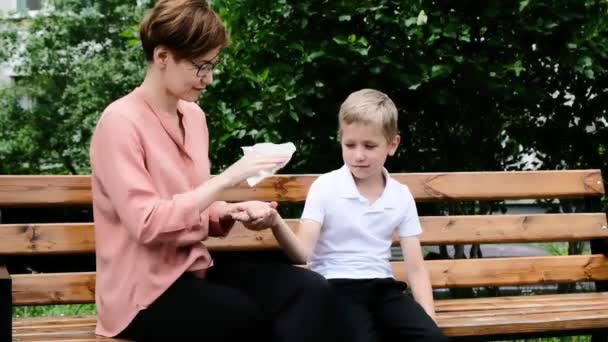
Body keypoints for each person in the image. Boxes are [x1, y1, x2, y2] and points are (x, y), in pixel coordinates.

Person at [89, 0, 331, 340]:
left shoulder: (194, 117)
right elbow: (147, 224)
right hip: (140, 294)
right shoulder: (119, 122)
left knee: (307, 288)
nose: (209, 79)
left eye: (212, 66)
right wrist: (228, 178)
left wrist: (229, 213)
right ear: (162, 57)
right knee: (242, 318)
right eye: (201, 67)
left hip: (195, 269)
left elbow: (194, 202)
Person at [252, 89, 447, 341]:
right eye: (350, 144)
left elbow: (416, 268)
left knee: (431, 338)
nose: (358, 155)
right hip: (336, 287)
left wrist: (428, 318)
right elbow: (303, 254)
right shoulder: (325, 187)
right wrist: (276, 222)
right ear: (340, 140)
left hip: (383, 288)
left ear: (392, 145)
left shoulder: (400, 195)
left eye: (369, 146)